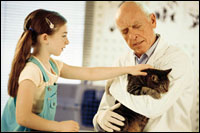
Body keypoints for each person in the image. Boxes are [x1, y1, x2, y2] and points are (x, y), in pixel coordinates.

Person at [1, 9, 152, 132]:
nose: (67, 41)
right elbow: (23, 118)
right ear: (45, 38)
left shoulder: (53, 66)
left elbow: (90, 73)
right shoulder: (31, 72)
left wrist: (129, 69)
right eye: (63, 36)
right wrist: (59, 127)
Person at [93, 1, 195, 132]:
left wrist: (114, 86)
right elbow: (106, 106)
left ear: (152, 20)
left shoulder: (178, 58)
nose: (132, 36)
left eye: (137, 26)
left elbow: (152, 108)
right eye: (124, 31)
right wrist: (100, 118)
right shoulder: (122, 61)